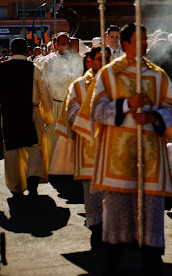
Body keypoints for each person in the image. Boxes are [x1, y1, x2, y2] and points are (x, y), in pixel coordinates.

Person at [75, 24, 172, 274]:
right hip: (117, 160)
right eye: (141, 40)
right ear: (126, 44)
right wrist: (126, 104)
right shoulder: (108, 74)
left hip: (150, 160)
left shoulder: (157, 75)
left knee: (150, 224)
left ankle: (152, 260)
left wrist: (154, 117)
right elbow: (95, 112)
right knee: (116, 224)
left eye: (147, 39)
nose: (146, 44)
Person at [0, 38, 54, 198]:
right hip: (31, 112)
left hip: (9, 114)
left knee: (13, 151)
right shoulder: (34, 68)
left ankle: (16, 186)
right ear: (26, 51)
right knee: (34, 148)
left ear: (11, 51)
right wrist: (47, 116)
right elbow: (44, 92)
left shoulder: (1, 70)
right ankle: (33, 180)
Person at [59, 46, 105, 249]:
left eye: (107, 59)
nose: (103, 64)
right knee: (92, 190)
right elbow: (71, 113)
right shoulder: (78, 86)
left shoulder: (117, 84)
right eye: (99, 60)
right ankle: (95, 226)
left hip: (112, 146)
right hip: (88, 145)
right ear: (90, 62)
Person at [37, 31, 84, 170]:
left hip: (72, 104)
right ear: (56, 45)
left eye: (68, 43)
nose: (67, 47)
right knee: (54, 139)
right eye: (63, 44)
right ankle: (53, 168)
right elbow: (44, 84)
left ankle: (70, 168)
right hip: (55, 103)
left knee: (70, 139)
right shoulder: (48, 61)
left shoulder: (77, 58)